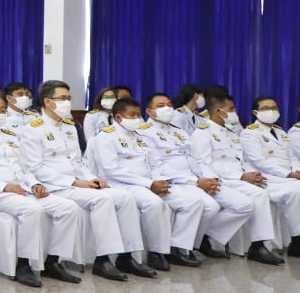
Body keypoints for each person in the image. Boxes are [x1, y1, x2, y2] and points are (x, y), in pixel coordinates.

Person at [17, 81, 156, 280]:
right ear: (48, 101)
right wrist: (74, 182)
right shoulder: (33, 129)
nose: (67, 102)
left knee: (125, 198)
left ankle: (126, 256)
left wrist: (92, 178)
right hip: (54, 186)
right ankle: (101, 260)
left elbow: (79, 162)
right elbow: (35, 168)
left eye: (68, 98)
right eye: (62, 98)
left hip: (76, 183)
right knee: (102, 199)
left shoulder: (69, 126)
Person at [0, 94, 84, 288]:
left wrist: (34, 184)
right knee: (32, 209)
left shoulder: (11, 136)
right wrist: (4, 187)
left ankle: (52, 261)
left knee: (68, 208)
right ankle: (23, 265)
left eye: (2, 110)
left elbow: (23, 169)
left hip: (21, 190)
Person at [141, 93, 246, 265]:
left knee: (212, 206)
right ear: (150, 112)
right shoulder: (144, 133)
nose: (167, 108)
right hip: (169, 182)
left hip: (191, 179)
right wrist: (196, 182)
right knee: (194, 204)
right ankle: (177, 249)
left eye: (169, 104)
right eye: (160, 106)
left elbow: (195, 159)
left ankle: (190, 245)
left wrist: (208, 178)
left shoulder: (179, 132)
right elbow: (156, 166)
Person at [188, 89, 286, 265]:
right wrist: (241, 176)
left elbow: (240, 160)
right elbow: (205, 164)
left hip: (236, 178)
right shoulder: (202, 132)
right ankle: (205, 235)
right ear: (219, 111)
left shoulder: (231, 132)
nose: (234, 112)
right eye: (231, 109)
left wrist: (250, 173)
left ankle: (257, 245)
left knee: (259, 193)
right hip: (218, 180)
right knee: (254, 198)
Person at [86, 98, 176, 271]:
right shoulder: (106, 137)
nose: (136, 118)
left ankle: (159, 253)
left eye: (138, 114)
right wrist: (149, 183)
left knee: (166, 200)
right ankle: (143, 255)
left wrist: (159, 180)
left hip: (144, 183)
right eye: (132, 115)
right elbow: (112, 170)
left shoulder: (141, 137)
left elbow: (154, 163)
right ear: (119, 117)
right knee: (154, 203)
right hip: (118, 184)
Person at [243, 95, 300, 261]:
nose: (271, 111)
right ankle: (299, 242)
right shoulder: (249, 133)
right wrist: (288, 174)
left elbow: (293, 157)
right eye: (265, 108)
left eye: (274, 108)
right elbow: (259, 161)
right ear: (255, 112)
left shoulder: (281, 131)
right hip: (269, 177)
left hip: (290, 176)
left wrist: (298, 171)